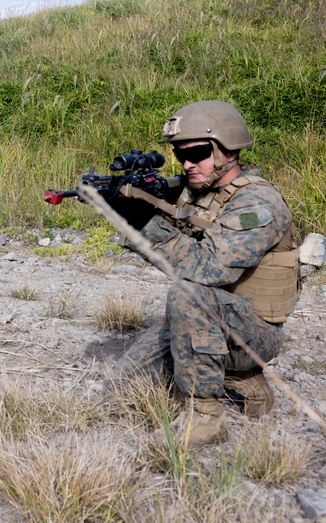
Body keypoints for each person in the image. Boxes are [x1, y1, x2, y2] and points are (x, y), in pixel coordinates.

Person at [113, 100, 301, 447]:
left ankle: (206, 417)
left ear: (227, 150)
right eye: (179, 154)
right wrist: (130, 207)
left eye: (198, 152)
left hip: (254, 332)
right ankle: (240, 378)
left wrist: (146, 226)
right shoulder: (197, 192)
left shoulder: (258, 204)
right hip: (212, 318)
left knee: (187, 294)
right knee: (123, 384)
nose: (187, 164)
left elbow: (208, 268)